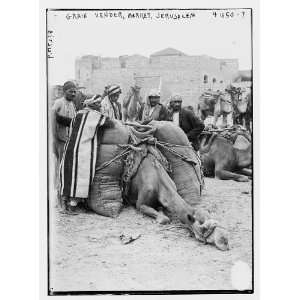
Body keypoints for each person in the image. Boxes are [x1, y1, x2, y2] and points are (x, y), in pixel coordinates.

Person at [51, 81, 77, 204]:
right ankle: (59, 199)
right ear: (64, 91)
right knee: (60, 168)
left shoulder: (72, 104)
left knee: (66, 168)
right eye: (70, 91)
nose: (73, 93)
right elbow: (52, 119)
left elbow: (73, 122)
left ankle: (64, 197)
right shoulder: (58, 103)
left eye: (74, 91)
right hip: (60, 140)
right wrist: (55, 138)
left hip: (68, 141)